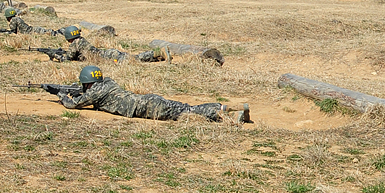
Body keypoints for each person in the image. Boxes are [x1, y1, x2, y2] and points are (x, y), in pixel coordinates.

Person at [56, 65, 250, 122]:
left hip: (146, 108)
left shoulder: (94, 93)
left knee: (188, 113)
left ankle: (229, 113)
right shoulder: (107, 83)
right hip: (148, 100)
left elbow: (73, 104)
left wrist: (61, 95)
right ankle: (228, 108)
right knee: (186, 109)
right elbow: (91, 89)